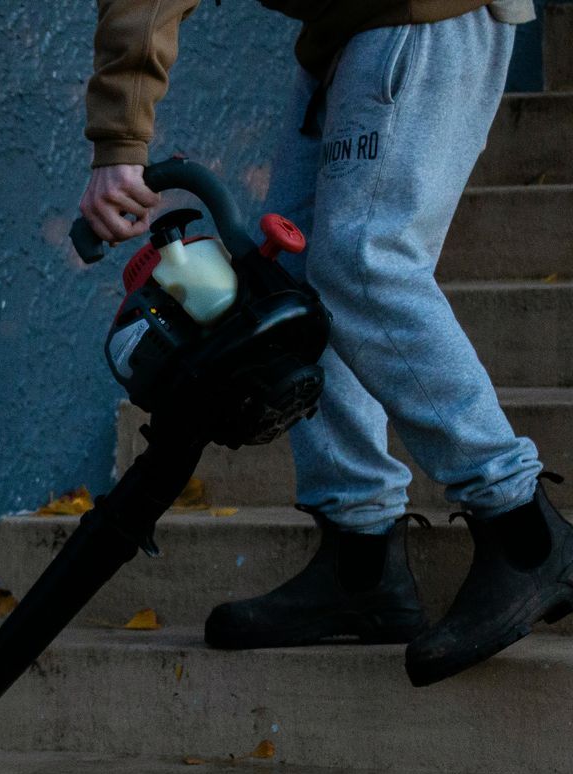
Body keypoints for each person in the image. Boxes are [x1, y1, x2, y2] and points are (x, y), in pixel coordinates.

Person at [78, 0, 573, 686]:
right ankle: (361, 558)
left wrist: (119, 140)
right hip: (350, 31)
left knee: (362, 260)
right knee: (292, 282)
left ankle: (524, 532)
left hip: (416, 14)